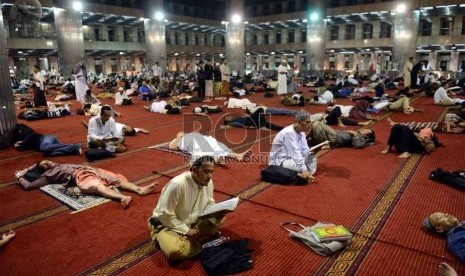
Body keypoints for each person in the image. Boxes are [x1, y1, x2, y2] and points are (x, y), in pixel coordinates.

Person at [147, 155, 226, 261]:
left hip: (192, 222)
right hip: (167, 224)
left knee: (220, 218)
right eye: (206, 172)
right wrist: (186, 230)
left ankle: (191, 241)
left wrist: (216, 212)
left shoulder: (208, 182)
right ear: (194, 170)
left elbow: (209, 204)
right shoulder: (178, 185)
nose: (210, 176)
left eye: (212, 172)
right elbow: (164, 215)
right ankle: (199, 243)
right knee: (174, 251)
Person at [15, 160, 158, 208]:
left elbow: (36, 163)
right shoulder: (47, 176)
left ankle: (139, 189)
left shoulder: (61, 163)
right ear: (43, 170)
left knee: (117, 179)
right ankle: (122, 198)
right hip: (80, 176)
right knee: (97, 186)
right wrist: (21, 176)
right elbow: (28, 186)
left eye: (47, 161)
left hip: (91, 169)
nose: (48, 163)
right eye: (45, 165)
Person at [269, 112, 317, 182]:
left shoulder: (302, 132)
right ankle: (304, 174)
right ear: (298, 122)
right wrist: (303, 169)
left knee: (312, 156)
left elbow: (305, 149)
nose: (309, 125)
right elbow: (295, 153)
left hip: (292, 158)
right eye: (307, 122)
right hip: (280, 162)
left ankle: (306, 174)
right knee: (299, 165)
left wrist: (311, 152)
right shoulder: (289, 133)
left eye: (310, 123)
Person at [168, 132, 251, 163]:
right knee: (202, 149)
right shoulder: (177, 140)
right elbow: (171, 146)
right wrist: (179, 137)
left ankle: (237, 155)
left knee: (218, 144)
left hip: (204, 138)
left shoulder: (188, 133)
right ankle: (216, 158)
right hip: (192, 142)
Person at [310, 121, 376, 148]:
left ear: (367, 136)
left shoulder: (362, 139)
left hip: (335, 138)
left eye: (366, 130)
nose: (364, 129)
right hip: (330, 134)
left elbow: (357, 145)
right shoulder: (354, 132)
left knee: (317, 124)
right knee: (312, 125)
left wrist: (355, 134)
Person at [14, 130, 82, 156]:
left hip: (46, 139)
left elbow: (20, 147)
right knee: (47, 153)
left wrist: (16, 144)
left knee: (43, 148)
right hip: (48, 143)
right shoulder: (27, 141)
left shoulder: (29, 136)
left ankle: (75, 146)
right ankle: (72, 151)